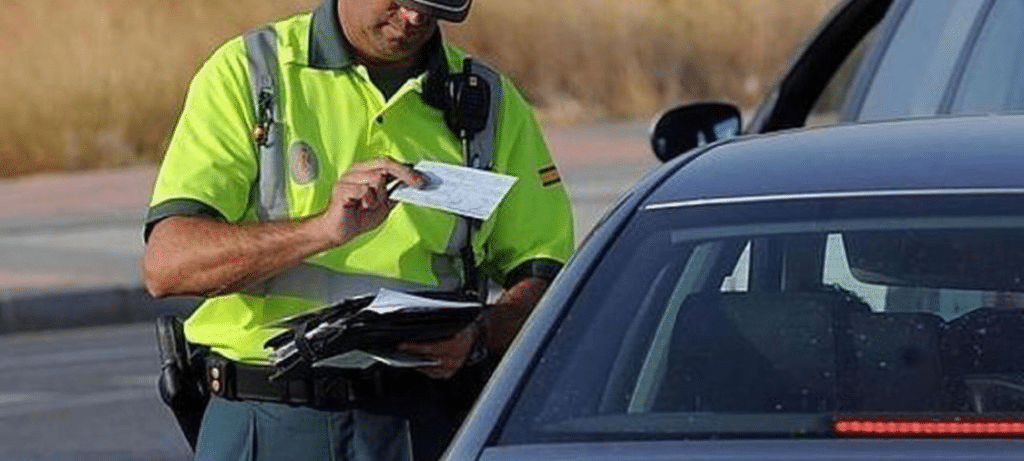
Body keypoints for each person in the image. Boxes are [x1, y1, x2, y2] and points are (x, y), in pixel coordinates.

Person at [141, 0, 574, 459]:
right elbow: (168, 265)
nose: (414, 19)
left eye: (433, 6)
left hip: (420, 420)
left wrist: (482, 334)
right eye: (402, 0)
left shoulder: (490, 101)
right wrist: (322, 230)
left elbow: (553, 279)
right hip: (267, 418)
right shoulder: (251, 73)